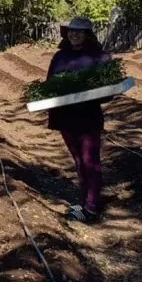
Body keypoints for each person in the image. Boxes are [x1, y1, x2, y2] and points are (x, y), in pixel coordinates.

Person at [46, 16, 110, 223]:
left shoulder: (99, 57)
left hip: (87, 116)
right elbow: (49, 84)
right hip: (64, 116)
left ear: (87, 35)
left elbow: (108, 91)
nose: (74, 34)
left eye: (79, 31)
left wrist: (88, 93)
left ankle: (92, 205)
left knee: (90, 160)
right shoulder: (59, 57)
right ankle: (85, 201)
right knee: (78, 160)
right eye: (72, 31)